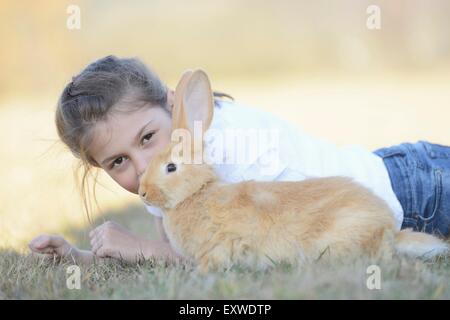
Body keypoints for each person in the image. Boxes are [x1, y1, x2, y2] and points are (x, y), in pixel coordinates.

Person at [28, 55, 450, 265]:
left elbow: (223, 255)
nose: (141, 168)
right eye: (118, 161)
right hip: (389, 179)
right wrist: (82, 256)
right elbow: (177, 246)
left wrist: (139, 248)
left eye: (148, 137)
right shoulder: (165, 174)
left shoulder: (218, 151)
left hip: (413, 190)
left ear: (177, 109)